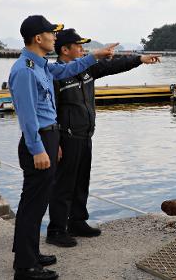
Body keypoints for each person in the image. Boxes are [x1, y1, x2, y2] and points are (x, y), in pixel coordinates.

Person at [9, 16, 117, 280]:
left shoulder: (41, 66)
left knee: (37, 202)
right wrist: (37, 150)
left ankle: (30, 254)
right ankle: (25, 267)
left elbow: (68, 70)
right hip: (40, 140)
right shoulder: (24, 70)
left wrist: (96, 56)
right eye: (51, 33)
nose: (55, 38)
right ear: (38, 38)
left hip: (49, 137)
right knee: (32, 205)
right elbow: (27, 116)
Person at [46, 28, 160, 247]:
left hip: (85, 135)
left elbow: (113, 65)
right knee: (63, 185)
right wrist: (55, 141)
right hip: (66, 137)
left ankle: (77, 222)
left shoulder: (87, 70)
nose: (82, 49)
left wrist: (140, 59)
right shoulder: (55, 75)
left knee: (81, 182)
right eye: (78, 46)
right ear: (65, 50)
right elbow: (50, 110)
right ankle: (56, 230)